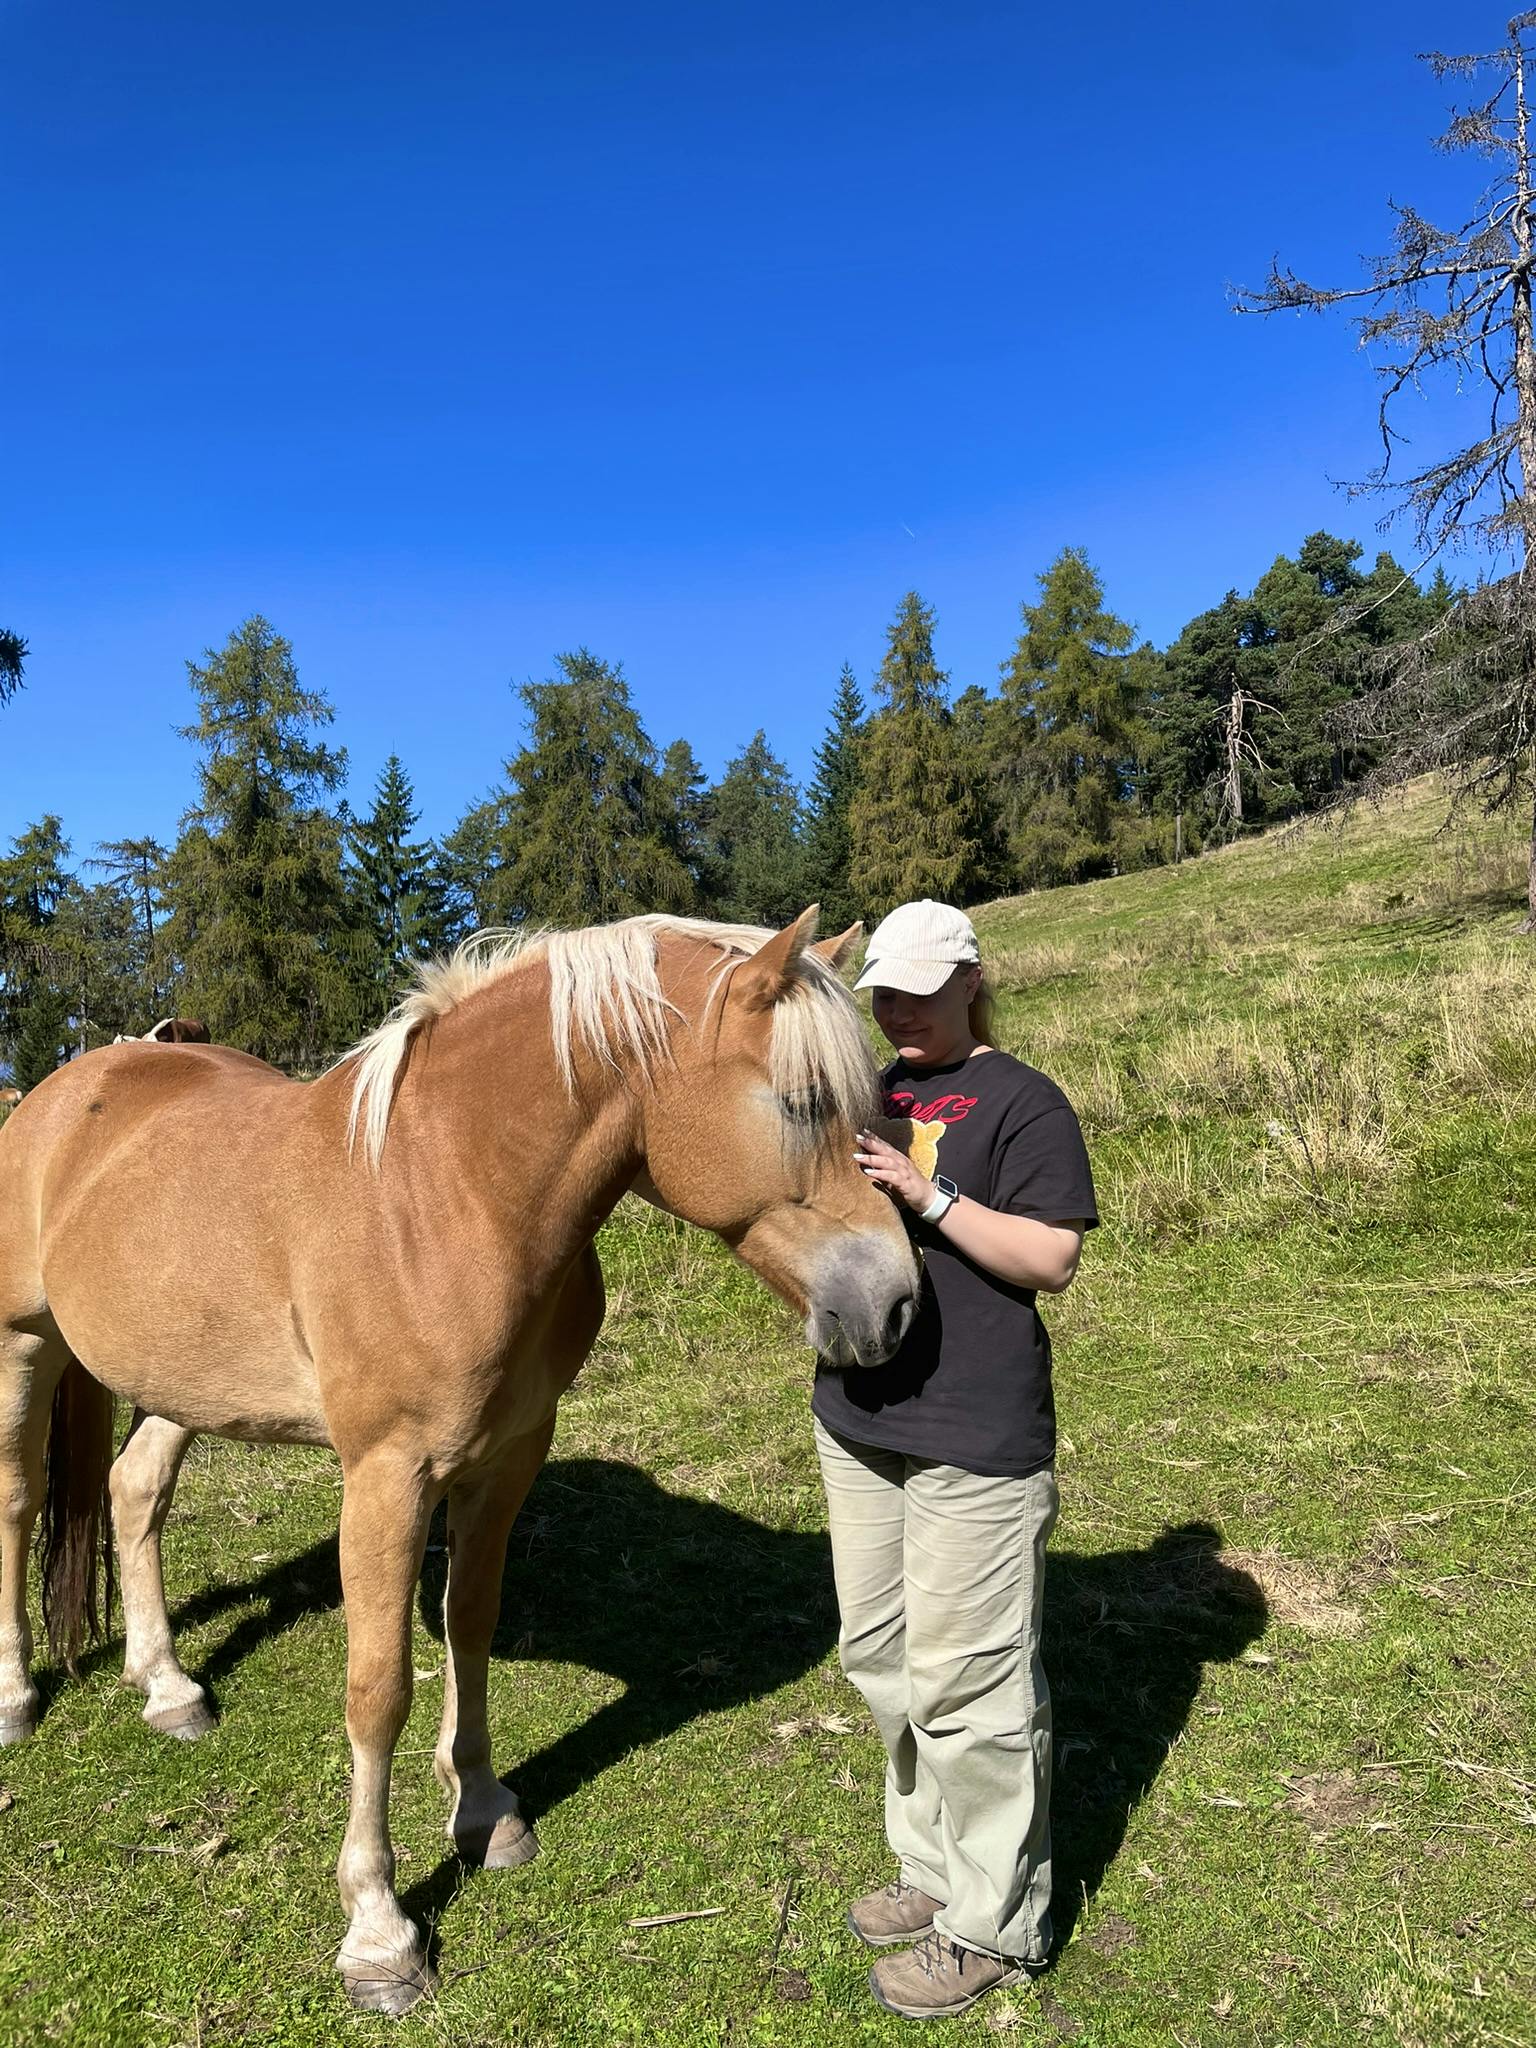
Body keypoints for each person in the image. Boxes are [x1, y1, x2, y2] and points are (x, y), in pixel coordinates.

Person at [813, 898, 1097, 2021]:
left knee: (971, 1685)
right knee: (882, 1659)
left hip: (975, 1433)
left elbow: (1051, 1256)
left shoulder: (1025, 1100)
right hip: (860, 1422)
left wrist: (926, 1192)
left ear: (973, 979)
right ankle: (930, 1866)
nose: (900, 1009)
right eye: (887, 990)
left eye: (924, 989)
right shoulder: (868, 1087)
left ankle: (993, 1919)